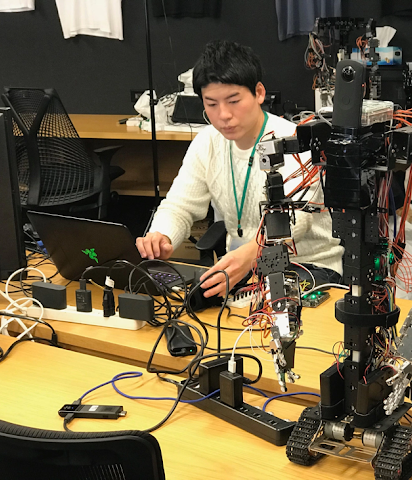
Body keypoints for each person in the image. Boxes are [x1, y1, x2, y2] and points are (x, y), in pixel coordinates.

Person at [136, 40, 343, 298]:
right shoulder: (207, 142)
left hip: (309, 267)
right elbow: (179, 206)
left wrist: (253, 252)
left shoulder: (293, 141)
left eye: (233, 101)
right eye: (211, 104)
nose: (223, 114)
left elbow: (297, 219)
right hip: (245, 267)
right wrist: (162, 235)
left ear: (259, 93)